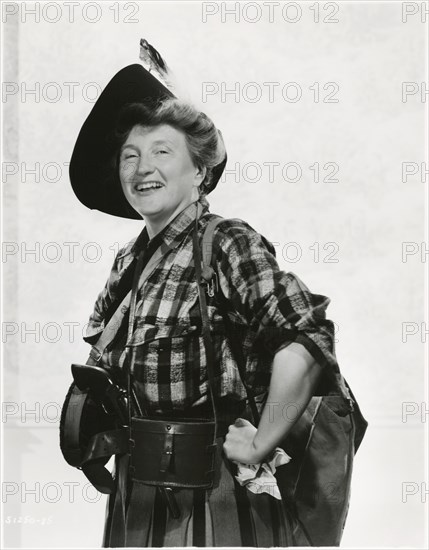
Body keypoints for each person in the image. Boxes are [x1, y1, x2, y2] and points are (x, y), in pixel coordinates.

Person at [69, 63, 363, 547]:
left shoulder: (226, 242)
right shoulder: (127, 262)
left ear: (199, 170)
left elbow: (306, 337)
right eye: (129, 156)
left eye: (162, 152)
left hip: (219, 502)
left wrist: (261, 441)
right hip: (136, 497)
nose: (142, 168)